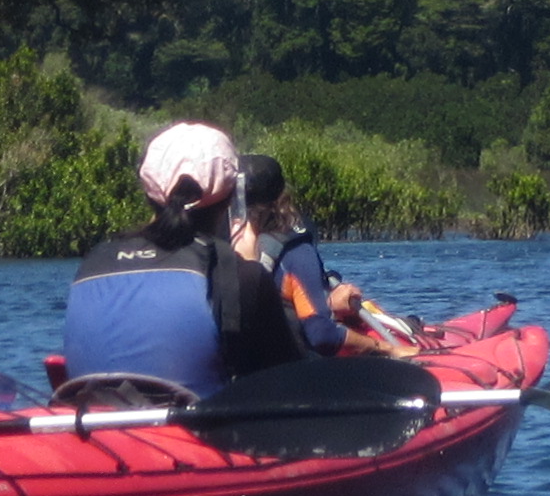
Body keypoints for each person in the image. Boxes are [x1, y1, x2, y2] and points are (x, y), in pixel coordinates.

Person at [58, 122, 240, 398]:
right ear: (228, 199)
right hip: (194, 433)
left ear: (148, 193)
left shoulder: (95, 259)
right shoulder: (229, 266)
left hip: (96, 429)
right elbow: (287, 368)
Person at [227, 151, 382, 366]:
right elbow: (321, 335)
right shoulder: (295, 250)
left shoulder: (213, 244)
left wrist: (328, 304)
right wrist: (385, 348)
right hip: (284, 374)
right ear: (281, 195)